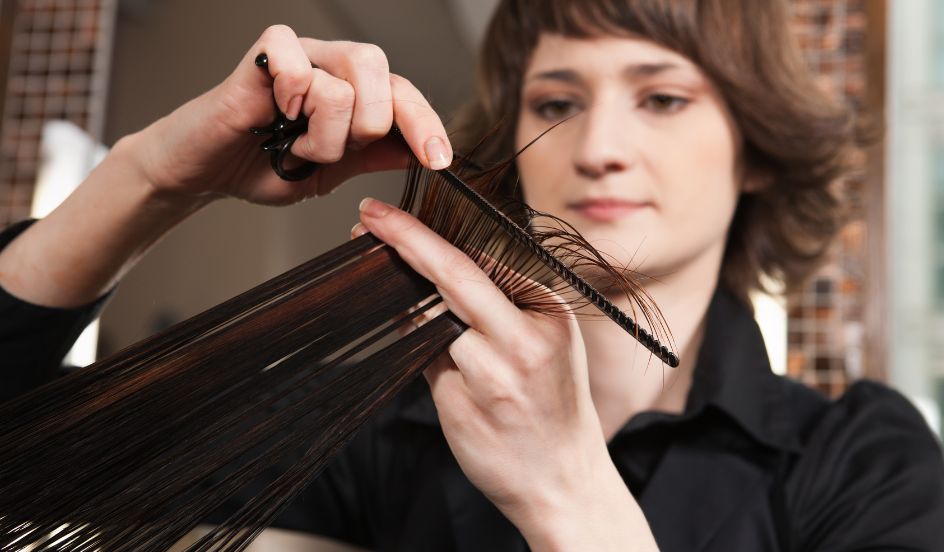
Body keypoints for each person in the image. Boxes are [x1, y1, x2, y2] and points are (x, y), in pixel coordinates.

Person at [2, 0, 943, 550]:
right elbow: (31, 478)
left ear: (757, 153)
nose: (600, 147)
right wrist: (149, 178)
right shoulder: (370, 433)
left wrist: (568, 496)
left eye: (661, 98)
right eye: (558, 101)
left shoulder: (861, 469)